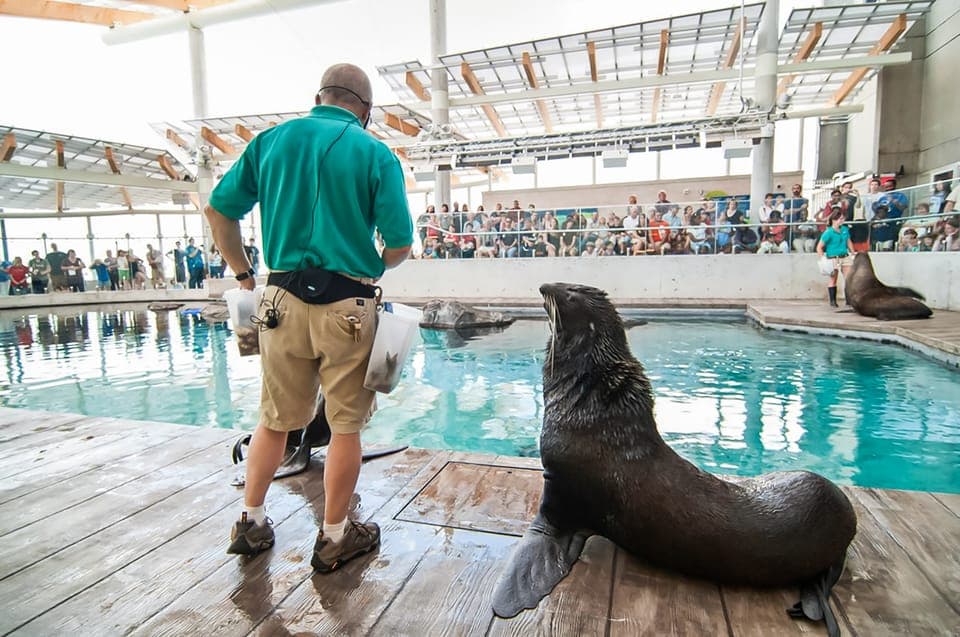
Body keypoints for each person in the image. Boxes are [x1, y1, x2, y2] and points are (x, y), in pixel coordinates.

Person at [204, 63, 413, 572]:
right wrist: (372, 265)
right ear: (365, 110)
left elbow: (218, 211)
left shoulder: (271, 141)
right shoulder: (374, 152)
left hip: (278, 300)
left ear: (318, 95)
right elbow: (400, 242)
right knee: (345, 428)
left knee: (273, 420)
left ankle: (251, 523)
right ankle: (336, 537)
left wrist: (243, 273)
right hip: (348, 306)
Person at [817, 211, 856, 308]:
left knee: (849, 278)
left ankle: (849, 300)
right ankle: (833, 301)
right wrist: (823, 258)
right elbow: (819, 247)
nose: (842, 221)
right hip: (833, 258)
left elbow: (848, 241)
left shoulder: (844, 230)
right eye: (840, 219)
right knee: (833, 279)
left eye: (843, 219)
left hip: (844, 256)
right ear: (834, 220)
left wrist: (852, 252)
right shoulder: (829, 232)